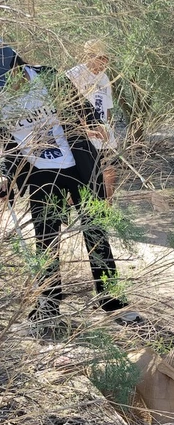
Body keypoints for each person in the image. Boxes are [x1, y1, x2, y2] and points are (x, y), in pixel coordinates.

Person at [0, 42, 130, 335]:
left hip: (77, 161)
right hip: (39, 173)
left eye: (10, 77)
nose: (9, 85)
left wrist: (93, 123)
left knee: (94, 227)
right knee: (46, 238)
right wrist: (6, 176)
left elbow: (80, 107)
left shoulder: (47, 76)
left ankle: (110, 298)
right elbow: (7, 144)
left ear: (19, 66)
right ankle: (49, 303)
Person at [66, 38, 118, 201]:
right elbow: (67, 108)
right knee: (84, 179)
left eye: (106, 58)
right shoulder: (73, 75)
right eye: (100, 58)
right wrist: (83, 128)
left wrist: (110, 129)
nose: (104, 62)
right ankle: (68, 207)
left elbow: (107, 108)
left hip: (104, 135)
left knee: (109, 173)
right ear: (89, 56)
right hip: (82, 135)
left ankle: (108, 213)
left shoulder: (105, 78)